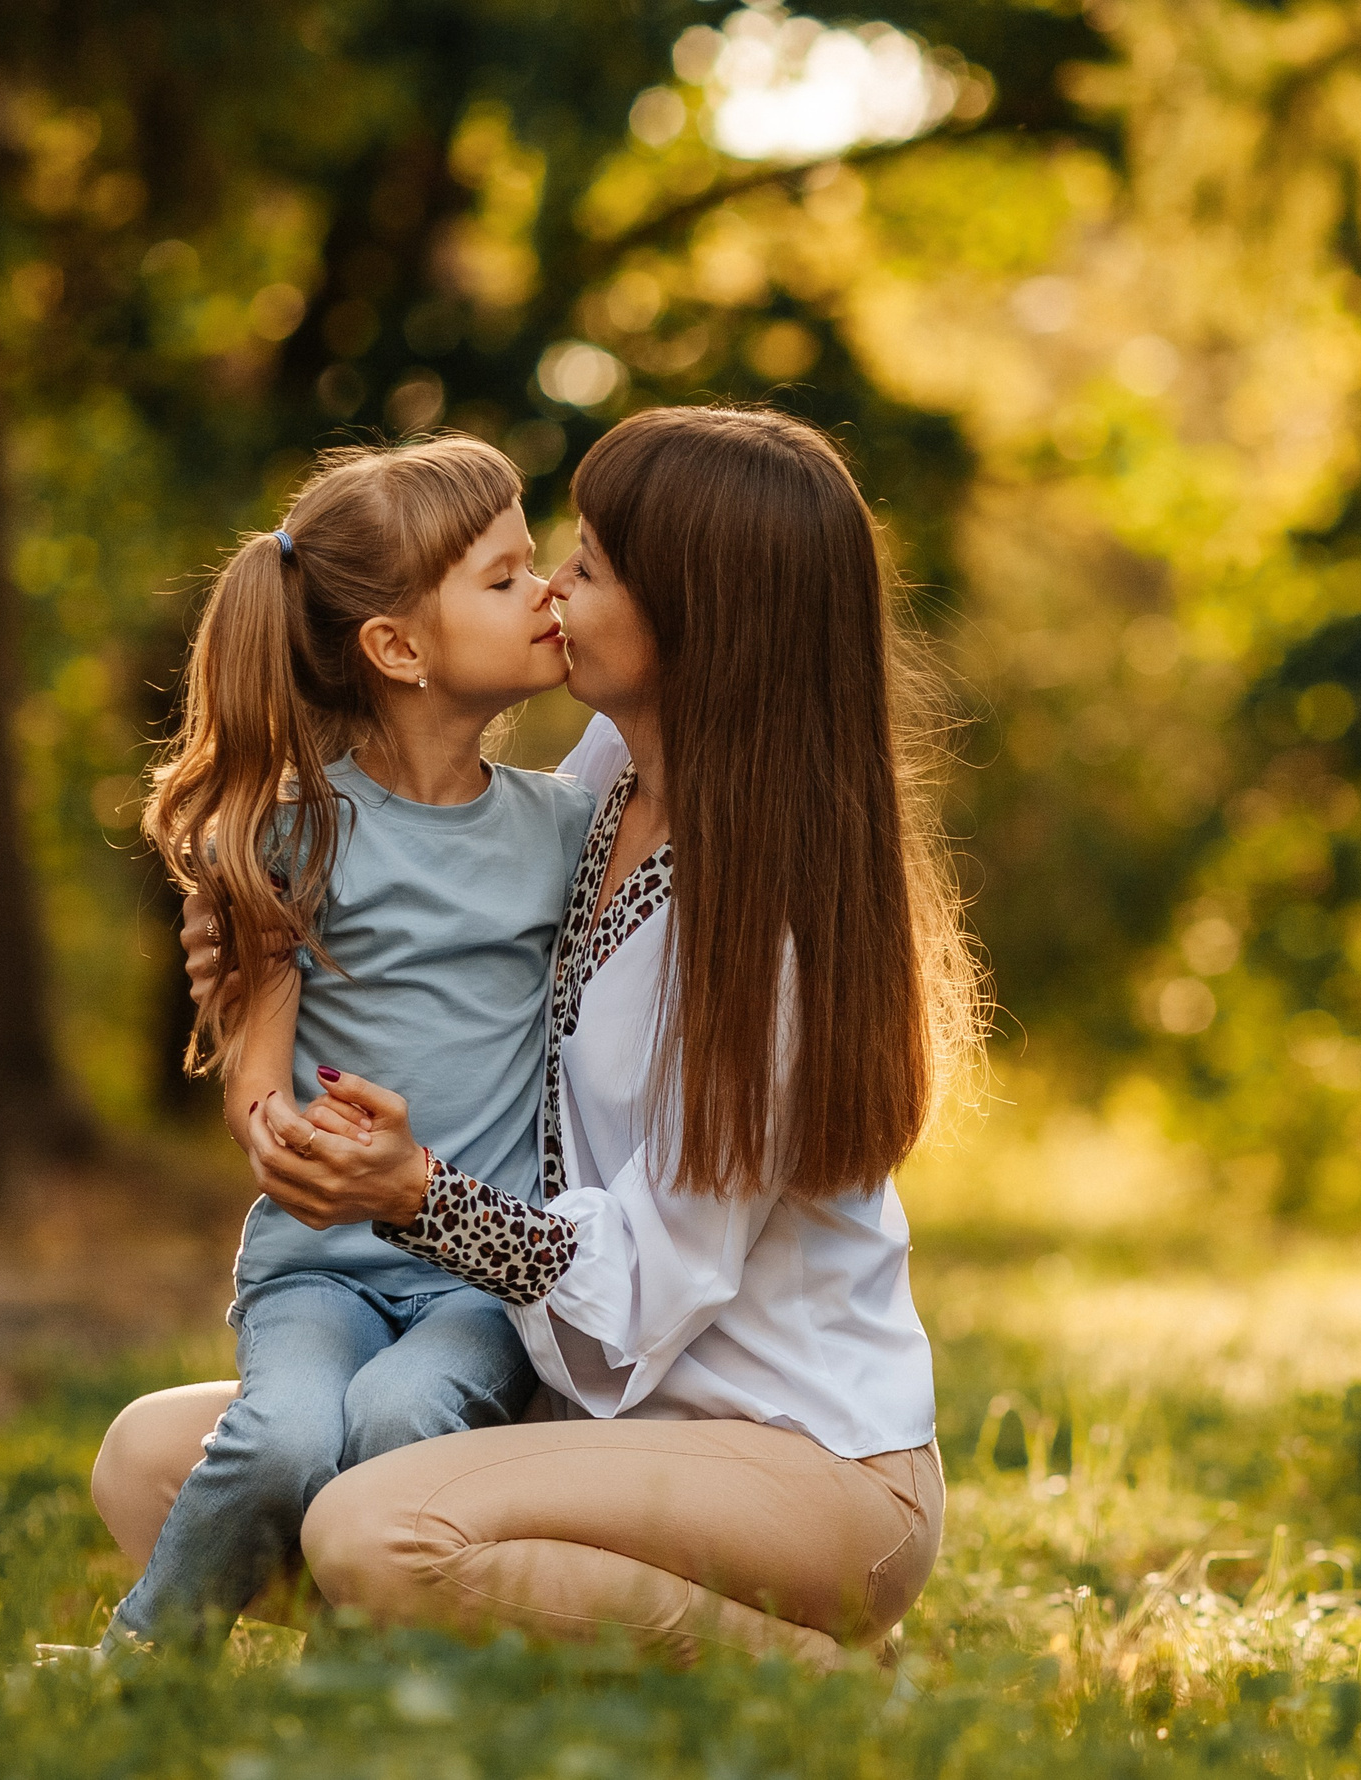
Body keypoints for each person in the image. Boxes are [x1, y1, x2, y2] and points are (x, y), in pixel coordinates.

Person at [100, 404, 972, 1667]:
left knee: (366, 1528)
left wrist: (423, 1197)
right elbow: (419, 891)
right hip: (579, 1412)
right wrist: (249, 943)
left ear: (697, 621)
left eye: (592, 567)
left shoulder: (764, 930)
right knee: (147, 1463)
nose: (555, 588)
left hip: (791, 1450)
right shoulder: (611, 775)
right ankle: (470, 1651)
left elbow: (648, 1283)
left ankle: (824, 1676)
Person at [80, 436, 592, 1656]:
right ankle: (139, 1662)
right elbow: (255, 1090)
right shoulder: (297, 835)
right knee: (287, 1435)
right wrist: (293, 1138)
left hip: (479, 1275)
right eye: (505, 576)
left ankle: (352, 1692)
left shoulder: (568, 826)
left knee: (401, 1418)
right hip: (319, 1265)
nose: (548, 594)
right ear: (398, 648)